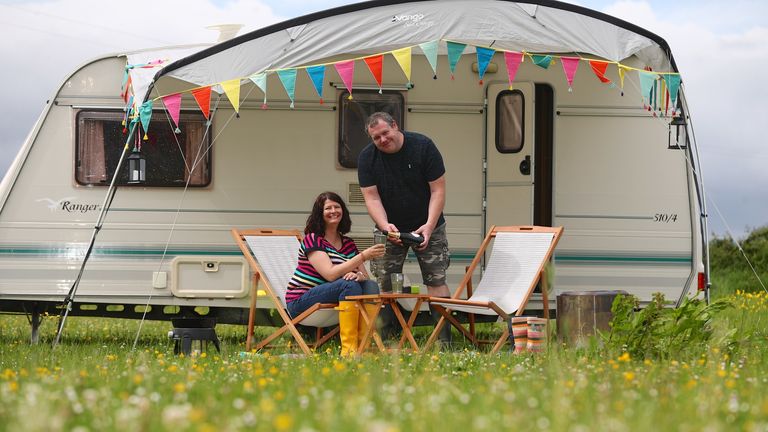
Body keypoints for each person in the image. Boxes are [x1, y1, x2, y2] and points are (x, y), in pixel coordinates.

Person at [357, 111, 452, 344]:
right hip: (389, 227)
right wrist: (385, 227)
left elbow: (438, 190)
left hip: (429, 224)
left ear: (395, 126)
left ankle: (443, 340)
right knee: (384, 282)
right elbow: (371, 198)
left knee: (436, 280)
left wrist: (429, 226)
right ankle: (387, 338)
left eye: (385, 133)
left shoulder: (423, 146)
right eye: (376, 138)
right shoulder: (367, 158)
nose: (382, 140)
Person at [285, 191, 386, 356]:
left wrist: (358, 276)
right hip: (301, 301)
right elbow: (330, 275)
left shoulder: (348, 243)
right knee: (349, 285)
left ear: (343, 211)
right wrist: (364, 256)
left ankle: (364, 347)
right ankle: (349, 351)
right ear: (320, 214)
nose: (333, 211)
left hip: (332, 294)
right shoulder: (313, 239)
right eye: (328, 208)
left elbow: (364, 277)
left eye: (337, 207)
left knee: (370, 285)